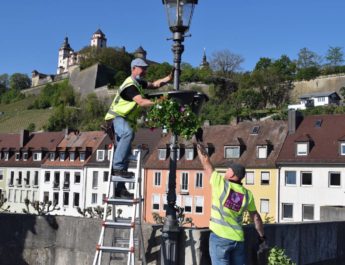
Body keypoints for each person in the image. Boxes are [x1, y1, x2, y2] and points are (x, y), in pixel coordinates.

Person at [104, 58, 173, 198]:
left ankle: (119, 190)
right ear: (134, 68)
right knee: (127, 134)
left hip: (123, 119)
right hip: (116, 118)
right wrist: (159, 103)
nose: (145, 71)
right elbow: (141, 102)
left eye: (145, 69)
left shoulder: (138, 82)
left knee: (126, 152)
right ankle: (117, 169)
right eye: (142, 68)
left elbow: (154, 84)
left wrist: (169, 78)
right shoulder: (130, 85)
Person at [196, 143, 266, 265]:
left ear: (232, 174)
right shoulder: (247, 194)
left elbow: (206, 163)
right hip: (238, 240)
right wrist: (261, 236)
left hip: (220, 238)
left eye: (228, 169)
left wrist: (198, 143)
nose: (226, 170)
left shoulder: (221, 185)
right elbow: (255, 217)